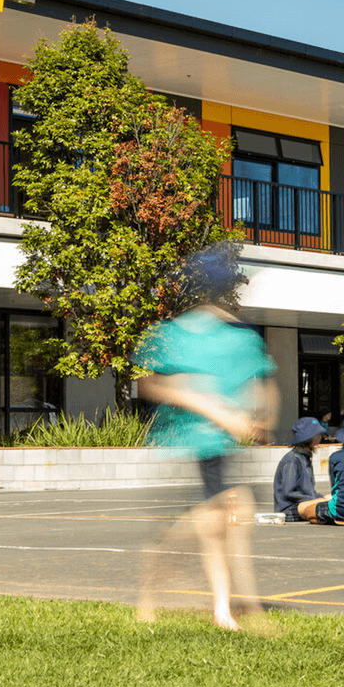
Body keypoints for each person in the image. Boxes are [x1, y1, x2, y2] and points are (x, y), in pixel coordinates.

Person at [134, 247, 278, 630]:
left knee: (221, 522)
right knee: (216, 521)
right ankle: (226, 608)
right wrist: (214, 410)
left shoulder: (241, 338)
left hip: (220, 445)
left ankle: (222, 609)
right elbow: (150, 384)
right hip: (183, 443)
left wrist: (257, 420)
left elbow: (263, 388)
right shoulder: (176, 333)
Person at [273, 417, 328, 521]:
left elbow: (309, 493)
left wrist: (324, 498)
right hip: (288, 510)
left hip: (302, 504)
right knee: (324, 511)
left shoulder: (305, 458)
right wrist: (317, 499)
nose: (320, 438)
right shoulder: (292, 460)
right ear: (308, 439)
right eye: (317, 435)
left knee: (331, 503)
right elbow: (288, 492)